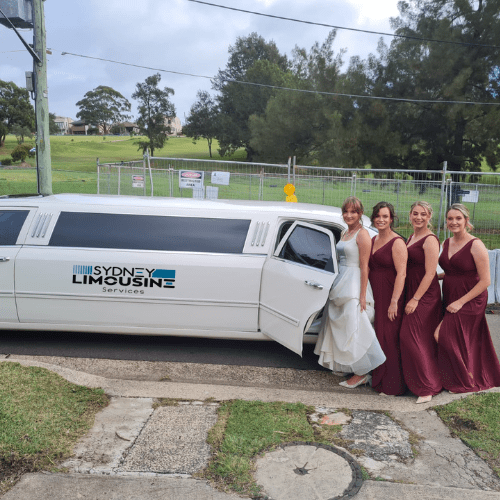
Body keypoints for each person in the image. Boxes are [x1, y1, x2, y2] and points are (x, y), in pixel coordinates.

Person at [314, 196, 386, 388]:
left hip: (354, 283)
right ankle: (348, 365)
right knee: (342, 327)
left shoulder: (362, 234)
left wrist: (362, 296)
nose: (349, 215)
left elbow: (365, 266)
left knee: (356, 326)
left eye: (353, 212)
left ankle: (362, 372)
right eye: (346, 211)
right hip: (341, 280)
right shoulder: (345, 232)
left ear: (360, 214)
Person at [435, 203, 500, 393]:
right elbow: (453, 271)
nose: (454, 222)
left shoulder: (475, 244)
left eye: (458, 218)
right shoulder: (447, 243)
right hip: (451, 296)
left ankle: (465, 381)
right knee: (461, 338)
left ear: (466, 221)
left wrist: (460, 302)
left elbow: (486, 281)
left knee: (442, 334)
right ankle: (465, 374)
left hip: (471, 299)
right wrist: (434, 277)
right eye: (450, 219)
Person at [400, 201, 442, 404]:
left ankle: (428, 387)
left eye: (423, 214)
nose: (418, 217)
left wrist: (416, 299)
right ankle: (418, 382)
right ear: (410, 215)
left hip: (424, 296)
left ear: (429, 217)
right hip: (412, 290)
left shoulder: (430, 240)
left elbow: (430, 273)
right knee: (420, 339)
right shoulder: (411, 237)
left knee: (410, 336)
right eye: (415, 213)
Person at [368, 201, 408, 396]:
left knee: (389, 338)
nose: (381, 219)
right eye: (378, 216)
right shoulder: (373, 239)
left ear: (392, 219)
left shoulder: (397, 242)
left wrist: (394, 302)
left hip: (390, 295)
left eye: (385, 216)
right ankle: (379, 379)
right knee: (377, 336)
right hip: (374, 293)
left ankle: (393, 385)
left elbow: (402, 273)